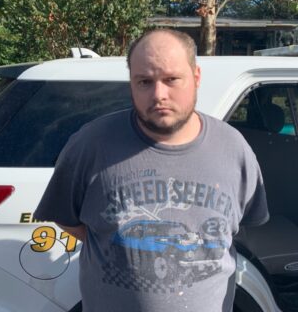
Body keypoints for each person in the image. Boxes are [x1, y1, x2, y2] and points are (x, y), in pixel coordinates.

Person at [34, 29, 269, 312]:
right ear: (131, 83)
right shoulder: (91, 145)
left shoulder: (234, 148)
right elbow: (69, 220)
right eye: (144, 81)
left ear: (196, 77)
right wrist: (123, 250)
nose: (159, 94)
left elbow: (238, 226)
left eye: (171, 79)